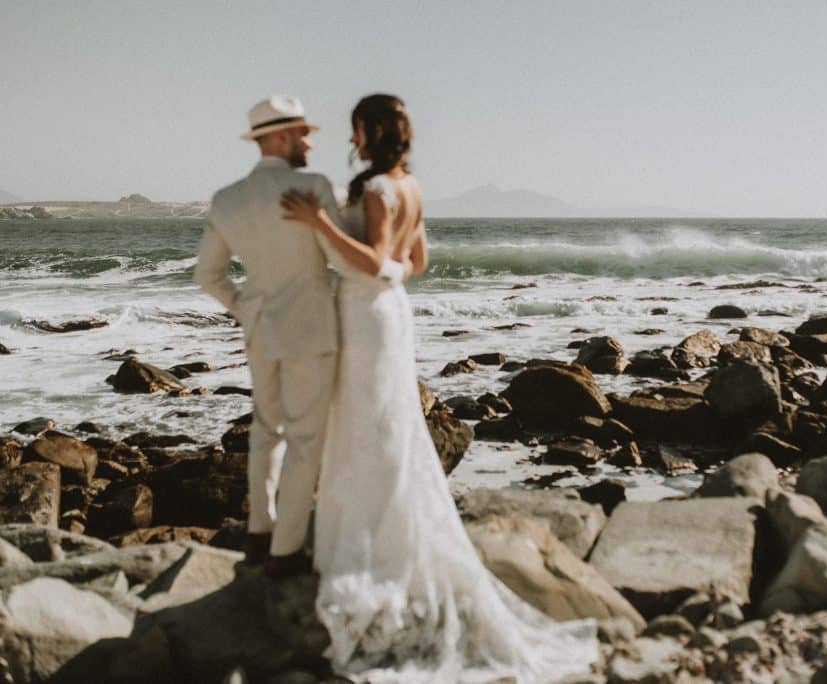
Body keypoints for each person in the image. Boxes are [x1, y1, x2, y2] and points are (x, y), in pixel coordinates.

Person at [279, 94, 599, 684]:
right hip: (390, 313)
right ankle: (392, 540)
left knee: (367, 430)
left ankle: (373, 556)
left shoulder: (377, 191)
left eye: (356, 129)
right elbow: (416, 262)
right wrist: (379, 266)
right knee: (387, 428)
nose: (352, 139)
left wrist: (318, 224)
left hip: (368, 314)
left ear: (372, 132)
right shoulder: (412, 187)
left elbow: (376, 262)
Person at [195, 95, 407, 578]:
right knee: (307, 439)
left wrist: (244, 308)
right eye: (305, 133)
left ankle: (259, 532)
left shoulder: (228, 199)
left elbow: (207, 275)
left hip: (259, 329)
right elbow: (337, 260)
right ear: (283, 137)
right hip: (311, 329)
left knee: (267, 432)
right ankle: (286, 552)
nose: (311, 141)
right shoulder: (310, 186)